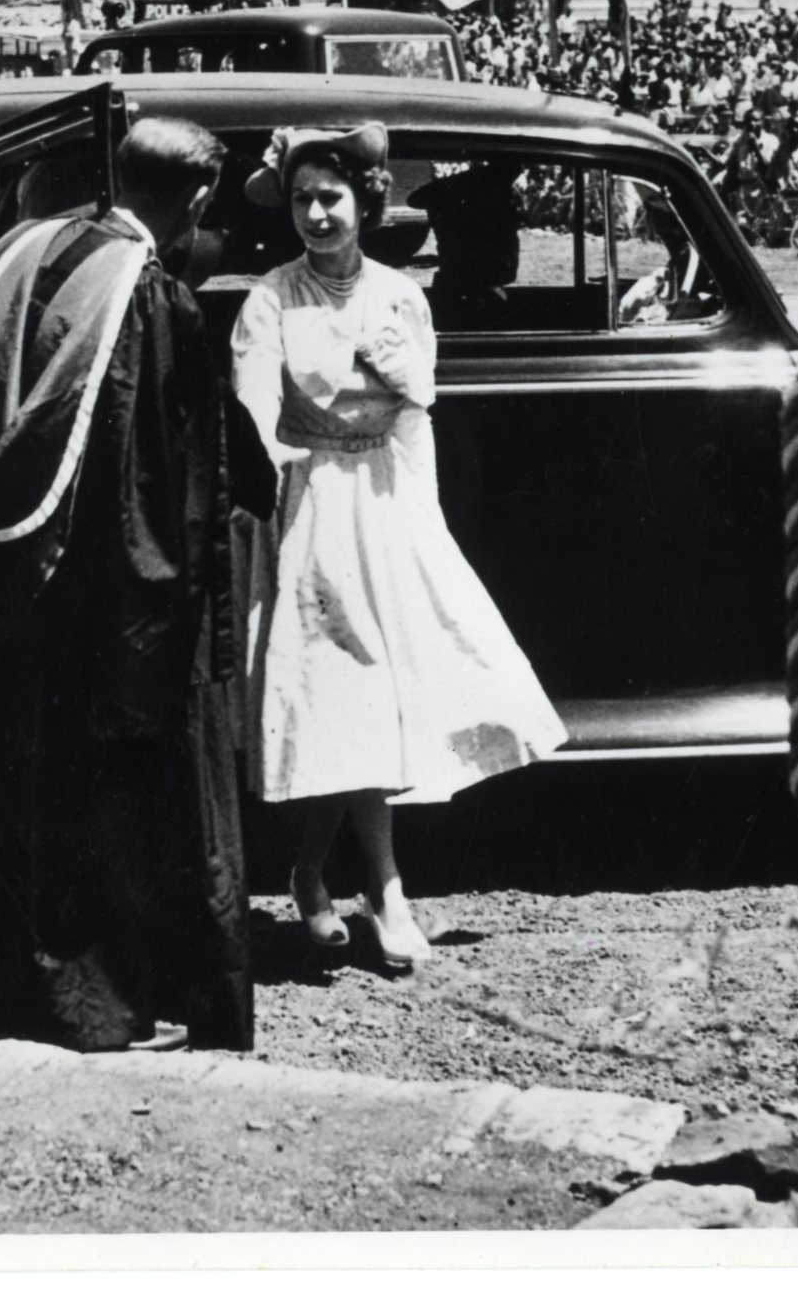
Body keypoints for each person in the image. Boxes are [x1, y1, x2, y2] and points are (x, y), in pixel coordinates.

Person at [0, 116, 252, 1052]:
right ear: (198, 201)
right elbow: (168, 486)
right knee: (101, 796)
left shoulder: (19, 253)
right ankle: (97, 997)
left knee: (4, 781)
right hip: (97, 598)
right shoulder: (151, 297)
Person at [231, 123, 565, 972]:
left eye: (330, 197)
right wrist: (274, 490)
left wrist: (424, 519)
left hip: (382, 499)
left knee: (377, 693)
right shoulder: (271, 296)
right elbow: (251, 412)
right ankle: (384, 890)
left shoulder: (397, 295)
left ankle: (314, 870)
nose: (315, 214)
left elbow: (419, 407)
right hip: (310, 501)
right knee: (351, 693)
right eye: (302, 198)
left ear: (365, 203)